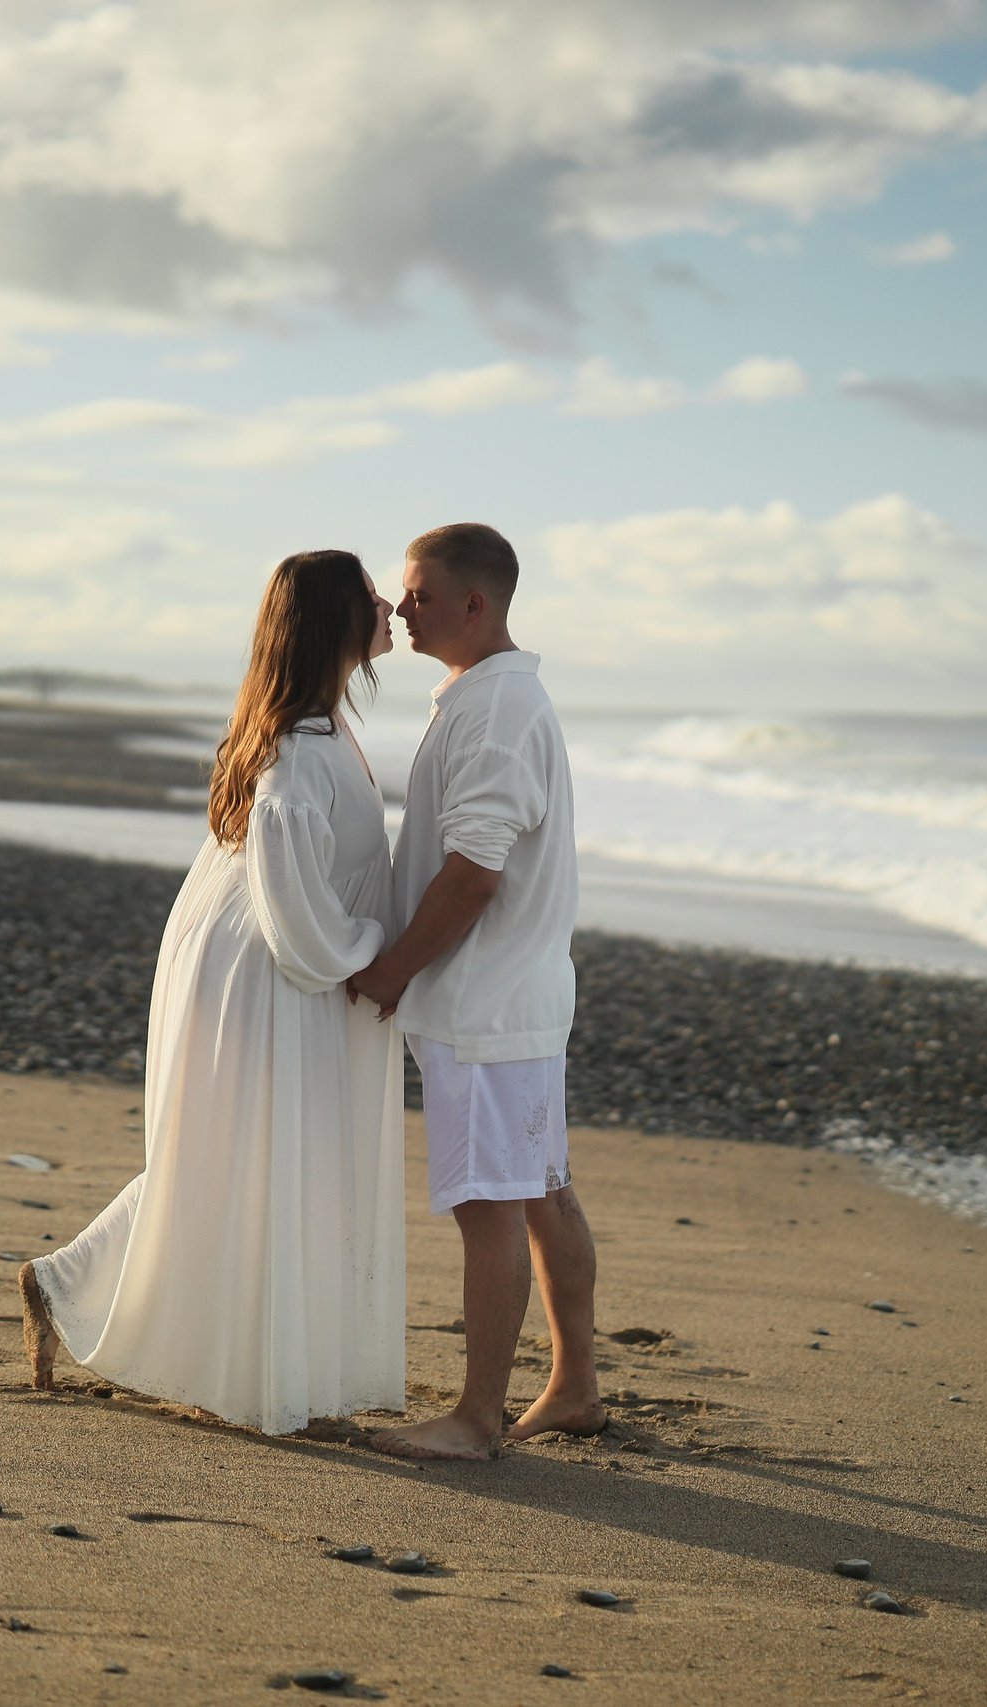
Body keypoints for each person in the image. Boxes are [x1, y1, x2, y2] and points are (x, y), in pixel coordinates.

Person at [18, 550, 406, 1436]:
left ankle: (65, 1281)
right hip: (265, 967)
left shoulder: (322, 727)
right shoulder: (298, 750)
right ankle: (249, 1376)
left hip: (266, 956)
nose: (388, 604)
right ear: (335, 621)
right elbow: (295, 909)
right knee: (250, 1161)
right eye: (370, 595)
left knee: (241, 1160)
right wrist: (371, 955)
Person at [353, 522, 600, 1461]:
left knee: (491, 1204)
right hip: (518, 995)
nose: (401, 606)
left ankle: (475, 1418)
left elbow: (473, 875)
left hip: (485, 1002)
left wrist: (392, 969)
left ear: (474, 602)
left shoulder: (495, 710)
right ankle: (574, 1386)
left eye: (418, 593)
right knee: (541, 1189)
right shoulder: (490, 696)